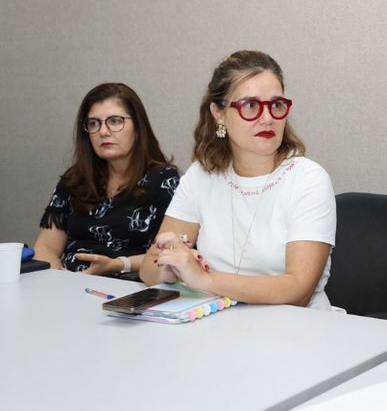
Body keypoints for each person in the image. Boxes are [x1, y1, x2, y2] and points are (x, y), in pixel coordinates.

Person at [140, 50, 336, 310]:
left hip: (297, 330)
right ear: (218, 113)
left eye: (276, 105)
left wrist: (203, 278)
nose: (267, 118)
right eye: (251, 106)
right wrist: (172, 269)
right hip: (220, 323)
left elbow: (297, 290)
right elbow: (148, 267)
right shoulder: (201, 176)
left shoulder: (308, 179)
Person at [34, 83, 179, 276]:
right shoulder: (74, 179)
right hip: (71, 285)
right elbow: (46, 247)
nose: (103, 131)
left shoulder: (163, 179)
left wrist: (117, 264)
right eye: (94, 123)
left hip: (130, 286)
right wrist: (60, 277)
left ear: (137, 128)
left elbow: (170, 254)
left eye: (115, 121)